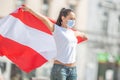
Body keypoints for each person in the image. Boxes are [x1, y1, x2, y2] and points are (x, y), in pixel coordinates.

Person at [23, 5, 87, 80]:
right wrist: (30, 10)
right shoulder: (57, 29)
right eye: (71, 18)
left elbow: (82, 34)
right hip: (60, 69)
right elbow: (44, 19)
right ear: (63, 18)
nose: (73, 21)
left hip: (72, 70)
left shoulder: (73, 33)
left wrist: (84, 36)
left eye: (74, 19)